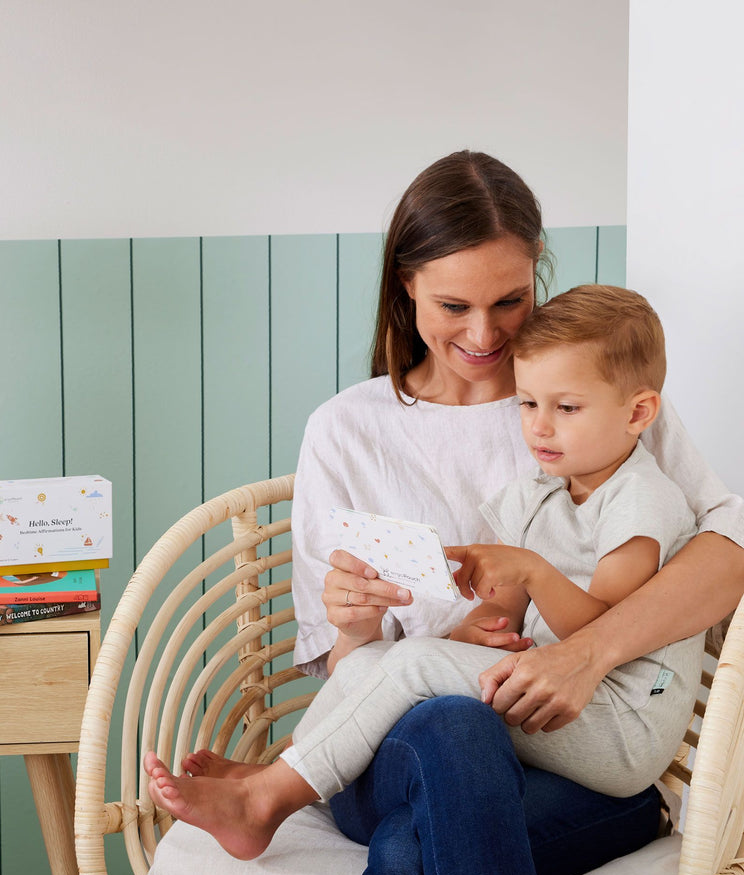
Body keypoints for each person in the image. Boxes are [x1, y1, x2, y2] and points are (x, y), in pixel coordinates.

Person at [147, 151, 744, 875]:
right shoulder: (348, 431)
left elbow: (727, 551)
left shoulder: (601, 399)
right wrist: (365, 625)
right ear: (404, 286)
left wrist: (586, 652)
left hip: (573, 746)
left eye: (511, 300)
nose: (485, 332)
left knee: (406, 852)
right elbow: (350, 665)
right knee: (451, 726)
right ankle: (280, 781)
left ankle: (270, 791)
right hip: (403, 751)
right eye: (454, 304)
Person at [145, 283, 702, 844]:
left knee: (410, 665)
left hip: (619, 726)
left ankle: (263, 803)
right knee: (377, 661)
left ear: (638, 413)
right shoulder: (538, 495)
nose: (539, 426)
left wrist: (531, 570)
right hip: (549, 701)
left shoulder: (641, 500)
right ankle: (282, 769)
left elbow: (602, 632)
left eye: (567, 408)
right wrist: (472, 631)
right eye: (528, 404)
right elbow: (501, 618)